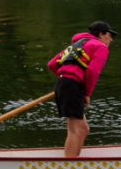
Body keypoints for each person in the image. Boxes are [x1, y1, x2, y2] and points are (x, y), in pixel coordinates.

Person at [48, 21, 116, 159]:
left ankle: (75, 160)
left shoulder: (77, 45)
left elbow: (52, 64)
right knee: (74, 131)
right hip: (73, 86)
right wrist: (86, 93)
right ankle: (69, 167)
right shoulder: (100, 46)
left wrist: (66, 77)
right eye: (109, 35)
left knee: (84, 129)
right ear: (101, 34)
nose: (111, 39)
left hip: (63, 84)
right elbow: (92, 71)